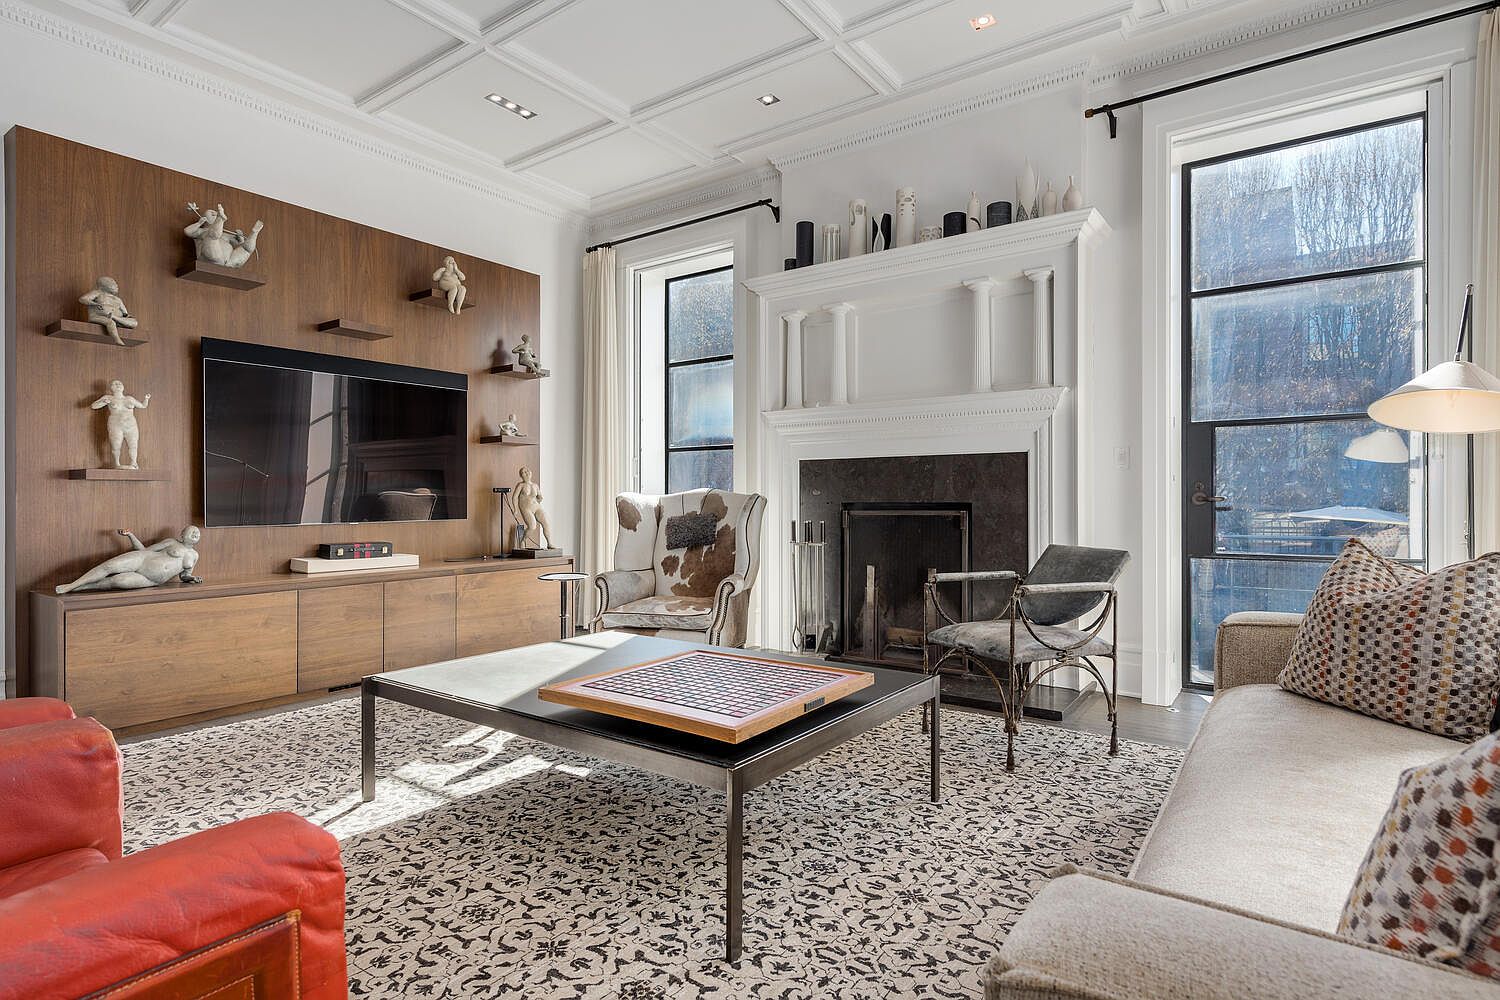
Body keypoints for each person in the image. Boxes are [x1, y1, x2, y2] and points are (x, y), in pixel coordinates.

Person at [55, 527, 202, 594]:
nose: (196, 532)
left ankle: (81, 588)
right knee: (109, 566)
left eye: (197, 532)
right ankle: (71, 585)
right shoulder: (171, 542)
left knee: (117, 581)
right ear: (182, 536)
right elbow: (144, 550)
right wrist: (131, 535)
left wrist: (192, 578)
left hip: (151, 580)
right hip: (143, 559)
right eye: (192, 531)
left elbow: (185, 575)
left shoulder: (194, 555)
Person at [91, 379, 150, 469]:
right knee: (116, 445)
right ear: (111, 388)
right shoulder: (109, 398)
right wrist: (103, 402)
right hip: (115, 424)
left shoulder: (129, 398)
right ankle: (117, 463)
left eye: (120, 383)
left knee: (133, 444)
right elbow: (93, 406)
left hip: (131, 424)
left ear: (123, 387)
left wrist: (146, 399)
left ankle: (134, 462)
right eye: (115, 384)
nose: (118, 385)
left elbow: (143, 406)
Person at [78, 277, 138, 346]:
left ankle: (114, 317)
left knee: (134, 322)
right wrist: (95, 304)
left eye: (116, 283)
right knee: (110, 322)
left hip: (118, 320)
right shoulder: (98, 293)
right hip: (98, 317)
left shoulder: (118, 299)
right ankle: (117, 339)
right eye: (113, 283)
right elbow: (83, 299)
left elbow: (125, 313)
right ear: (103, 285)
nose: (116, 285)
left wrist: (127, 316)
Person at [510, 467, 552, 549]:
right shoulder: (521, 485)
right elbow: (514, 497)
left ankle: (549, 543)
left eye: (528, 471)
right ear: (521, 475)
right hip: (526, 508)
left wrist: (539, 498)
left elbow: (540, 497)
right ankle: (523, 540)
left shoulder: (535, 485)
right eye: (524, 472)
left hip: (536, 507)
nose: (526, 473)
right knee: (532, 526)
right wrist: (515, 509)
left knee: (546, 523)